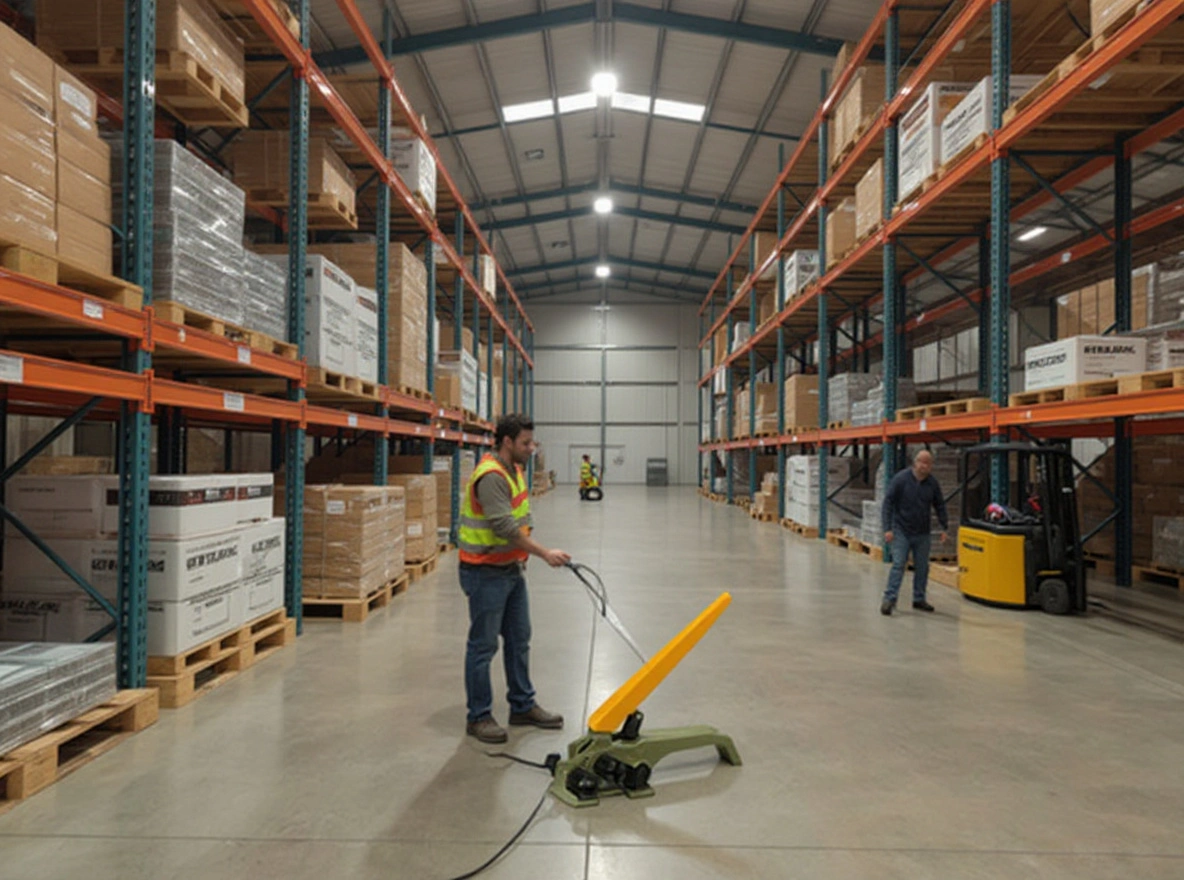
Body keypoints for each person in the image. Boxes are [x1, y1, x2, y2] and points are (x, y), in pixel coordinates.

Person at [458, 414, 572, 744]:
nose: (531, 447)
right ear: (507, 442)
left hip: (510, 569)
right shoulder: (491, 476)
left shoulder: (516, 470)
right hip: (484, 570)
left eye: (532, 441)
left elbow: (523, 517)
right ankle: (478, 716)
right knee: (483, 646)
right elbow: (505, 528)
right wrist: (544, 553)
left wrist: (523, 555)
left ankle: (522, 705)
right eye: (526, 442)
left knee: (519, 639)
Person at [880, 449, 949, 616]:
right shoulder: (901, 479)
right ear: (915, 462)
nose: (924, 466)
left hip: (922, 533)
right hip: (901, 530)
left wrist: (944, 526)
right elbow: (888, 503)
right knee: (898, 564)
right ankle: (890, 598)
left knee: (922, 567)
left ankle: (919, 598)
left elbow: (939, 505)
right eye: (921, 462)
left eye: (928, 463)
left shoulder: (932, 483)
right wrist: (887, 528)